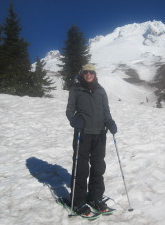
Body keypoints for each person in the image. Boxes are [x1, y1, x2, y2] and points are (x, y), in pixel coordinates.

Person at [66, 63, 117, 217]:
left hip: (100, 134)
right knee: (81, 168)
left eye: (91, 72)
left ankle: (95, 197)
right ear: (82, 74)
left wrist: (110, 122)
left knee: (98, 167)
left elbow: (106, 110)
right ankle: (78, 201)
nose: (89, 75)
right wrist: (75, 120)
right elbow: (69, 110)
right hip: (83, 133)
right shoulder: (76, 89)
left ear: (95, 75)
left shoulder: (101, 90)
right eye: (86, 72)